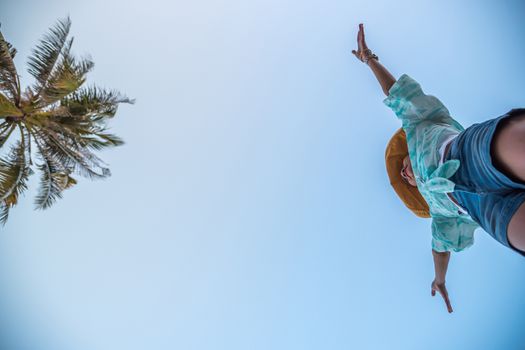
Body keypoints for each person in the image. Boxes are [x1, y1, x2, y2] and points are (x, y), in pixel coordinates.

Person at [351, 23, 525, 313]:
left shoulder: (421, 121)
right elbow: (440, 248)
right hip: (474, 207)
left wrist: (370, 59)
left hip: (466, 153)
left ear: (407, 153)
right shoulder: (440, 216)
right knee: (518, 231)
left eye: (404, 168)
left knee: (515, 145)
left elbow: (396, 93)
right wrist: (439, 279)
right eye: (407, 181)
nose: (407, 175)